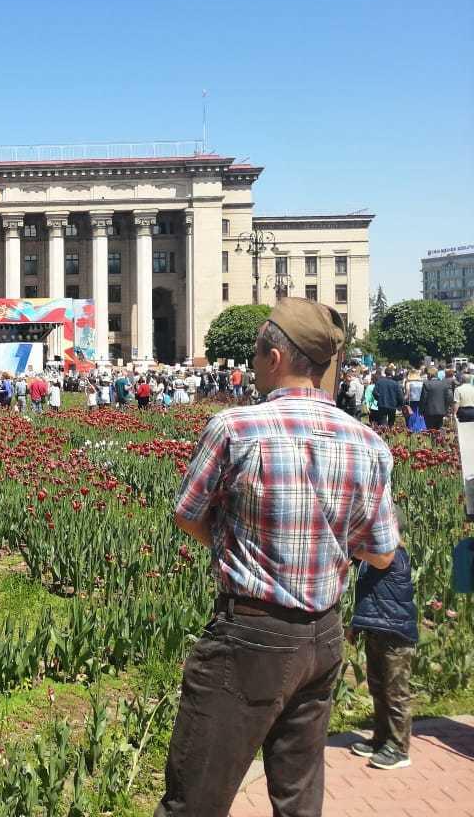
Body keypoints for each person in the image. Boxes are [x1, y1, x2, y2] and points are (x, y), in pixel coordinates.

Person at [157, 298, 398, 817]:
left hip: (250, 636)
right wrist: (331, 543)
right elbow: (382, 553)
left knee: (194, 798)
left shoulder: (236, 428)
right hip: (324, 636)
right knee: (297, 797)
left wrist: (237, 547)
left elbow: (188, 513)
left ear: (273, 358)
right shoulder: (369, 443)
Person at [348, 540, 418, 770]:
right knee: (378, 689)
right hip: (376, 630)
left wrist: (355, 549)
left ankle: (399, 748)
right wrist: (356, 624)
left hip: (395, 633)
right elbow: (369, 596)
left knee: (395, 693)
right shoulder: (372, 558)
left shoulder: (394, 554)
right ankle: (381, 740)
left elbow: (382, 560)